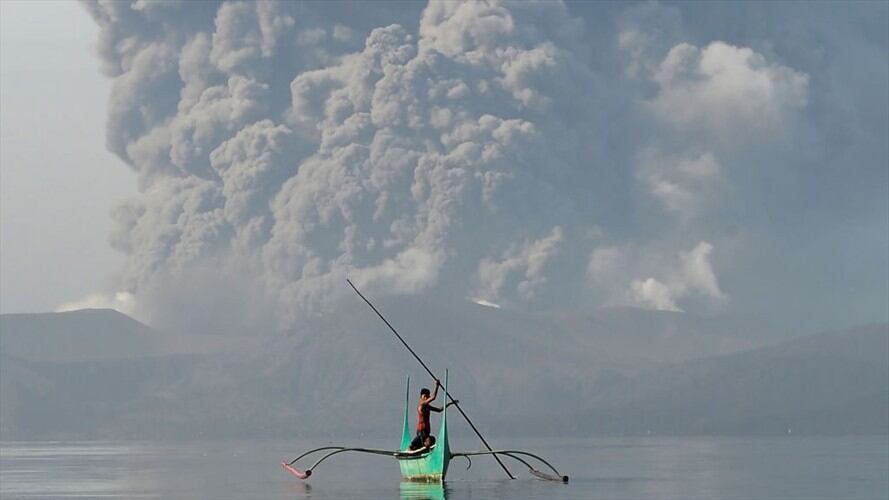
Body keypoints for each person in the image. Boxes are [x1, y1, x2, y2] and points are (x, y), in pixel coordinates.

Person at [409, 380, 459, 450]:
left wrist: (450, 403)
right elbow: (434, 397)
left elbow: (439, 410)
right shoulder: (422, 405)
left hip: (426, 431)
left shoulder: (427, 406)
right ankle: (411, 449)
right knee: (414, 445)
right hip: (421, 431)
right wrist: (437, 386)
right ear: (421, 397)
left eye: (427, 396)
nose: (426, 398)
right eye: (425, 396)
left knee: (432, 440)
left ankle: (421, 449)